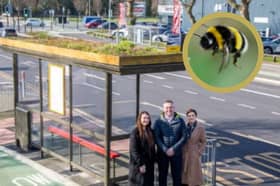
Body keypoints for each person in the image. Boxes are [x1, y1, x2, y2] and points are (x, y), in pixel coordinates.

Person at [153, 100, 188, 186]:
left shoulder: (180, 120)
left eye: (171, 107)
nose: (169, 109)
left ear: (174, 108)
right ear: (163, 109)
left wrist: (173, 149)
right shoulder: (158, 121)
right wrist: (165, 149)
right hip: (162, 154)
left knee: (176, 177)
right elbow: (156, 137)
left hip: (176, 154)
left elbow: (184, 137)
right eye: (167, 107)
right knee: (162, 177)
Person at [129, 111, 155, 186]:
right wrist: (141, 164)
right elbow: (134, 151)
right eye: (144, 118)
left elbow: (152, 149)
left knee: (148, 183)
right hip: (139, 165)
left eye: (147, 118)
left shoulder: (151, 131)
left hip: (149, 165)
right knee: (140, 183)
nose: (146, 120)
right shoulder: (135, 133)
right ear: (140, 119)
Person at [182, 108, 206, 186]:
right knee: (184, 178)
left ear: (196, 117)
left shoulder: (200, 128)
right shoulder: (184, 127)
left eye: (193, 115)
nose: (191, 117)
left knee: (194, 177)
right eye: (189, 116)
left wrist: (199, 152)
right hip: (185, 155)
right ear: (187, 117)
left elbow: (203, 141)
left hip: (194, 155)